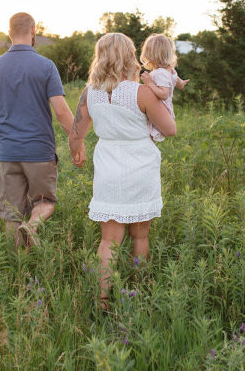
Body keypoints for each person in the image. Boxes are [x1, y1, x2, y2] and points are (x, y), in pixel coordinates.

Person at [68, 33, 176, 308]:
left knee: (109, 240)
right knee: (140, 235)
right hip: (140, 165)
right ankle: (139, 289)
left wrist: (76, 151)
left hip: (108, 166)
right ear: (129, 57)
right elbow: (170, 129)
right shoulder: (142, 92)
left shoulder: (89, 93)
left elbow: (76, 131)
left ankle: (103, 297)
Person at [0, 12, 83, 247]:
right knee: (44, 203)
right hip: (39, 152)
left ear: (9, 33)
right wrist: (77, 140)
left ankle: (18, 271)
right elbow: (62, 112)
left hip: (7, 153)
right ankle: (33, 226)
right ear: (33, 30)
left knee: (11, 215)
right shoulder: (46, 66)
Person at [139, 34, 189, 142]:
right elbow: (177, 81)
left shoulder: (160, 73)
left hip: (160, 110)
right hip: (163, 110)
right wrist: (181, 83)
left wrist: (149, 83)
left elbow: (164, 94)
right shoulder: (169, 70)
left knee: (149, 139)